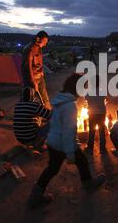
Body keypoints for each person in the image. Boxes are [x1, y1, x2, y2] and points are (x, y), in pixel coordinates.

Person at [28, 73, 105, 208]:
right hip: (62, 143)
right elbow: (68, 132)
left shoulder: (59, 99)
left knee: (52, 169)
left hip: (53, 141)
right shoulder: (70, 106)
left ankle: (35, 196)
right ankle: (88, 184)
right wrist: (70, 152)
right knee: (81, 160)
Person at [13, 87, 52, 152]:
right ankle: (38, 146)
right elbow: (50, 116)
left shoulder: (17, 106)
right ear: (32, 97)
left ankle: (29, 145)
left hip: (20, 138)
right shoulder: (34, 106)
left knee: (37, 117)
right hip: (30, 137)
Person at [21, 31, 50, 109]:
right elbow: (27, 67)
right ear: (39, 39)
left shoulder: (39, 48)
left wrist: (41, 71)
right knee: (28, 98)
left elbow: (39, 62)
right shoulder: (29, 49)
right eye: (44, 42)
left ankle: (48, 113)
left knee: (44, 97)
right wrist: (33, 81)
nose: (45, 44)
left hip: (39, 76)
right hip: (31, 78)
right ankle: (23, 113)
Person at [85, 75, 108, 153]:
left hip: (92, 113)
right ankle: (103, 149)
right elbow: (106, 99)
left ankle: (90, 148)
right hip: (101, 113)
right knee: (101, 130)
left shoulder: (89, 92)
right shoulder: (102, 91)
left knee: (92, 131)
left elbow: (86, 99)